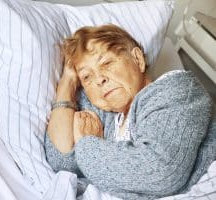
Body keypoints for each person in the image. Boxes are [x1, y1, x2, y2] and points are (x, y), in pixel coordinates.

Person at [44, 24, 214, 199]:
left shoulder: (178, 91)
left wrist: (88, 142)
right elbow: (62, 160)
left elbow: (161, 173)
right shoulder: (105, 115)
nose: (99, 79)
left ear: (138, 59)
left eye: (106, 63)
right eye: (87, 77)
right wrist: (68, 83)